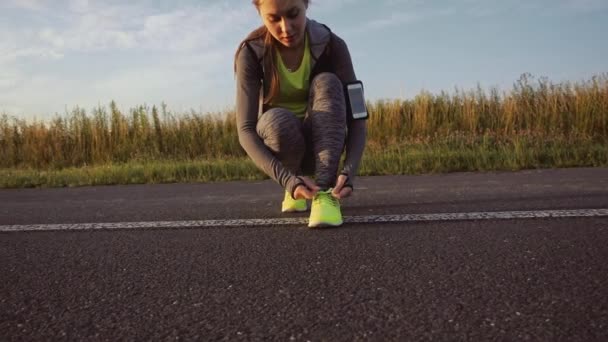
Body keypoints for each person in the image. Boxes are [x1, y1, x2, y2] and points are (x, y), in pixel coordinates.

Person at [234, 0, 367, 228]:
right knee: (276, 121)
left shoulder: (334, 45)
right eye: (273, 19)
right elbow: (245, 129)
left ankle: (325, 193)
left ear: (306, 4)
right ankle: (297, 185)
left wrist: (349, 171)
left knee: (328, 82)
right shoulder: (250, 52)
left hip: (325, 143)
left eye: (293, 14)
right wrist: (288, 179)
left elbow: (358, 114)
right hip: (285, 147)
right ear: (259, 13)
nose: (286, 28)